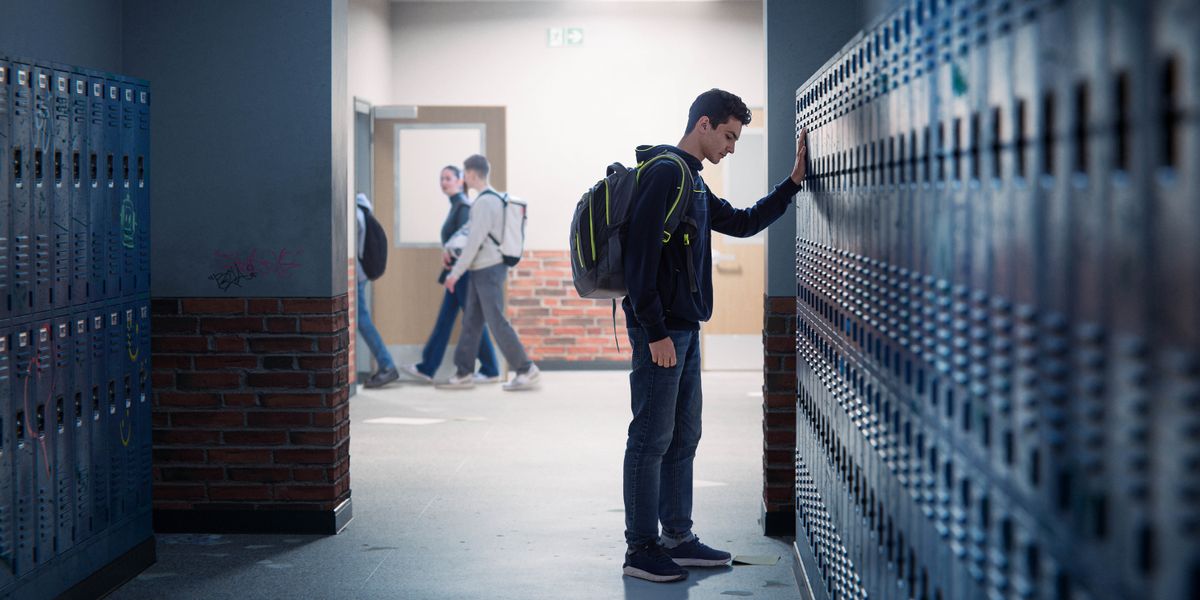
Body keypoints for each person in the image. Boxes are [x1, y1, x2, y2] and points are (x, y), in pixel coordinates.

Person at [619, 89, 808, 582]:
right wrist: (655, 330)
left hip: (684, 329)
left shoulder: (694, 185)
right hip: (661, 333)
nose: (730, 146)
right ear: (703, 124)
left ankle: (677, 538)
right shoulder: (666, 173)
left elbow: (743, 223)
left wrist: (791, 186)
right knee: (650, 438)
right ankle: (640, 549)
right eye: (728, 135)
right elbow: (640, 258)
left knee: (684, 435)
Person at [438, 154, 540, 392]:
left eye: (465, 174)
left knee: (496, 321)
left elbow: (474, 242)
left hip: (488, 269)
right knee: (471, 321)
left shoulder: (484, 202)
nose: (464, 179)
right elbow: (469, 234)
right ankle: (463, 372)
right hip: (482, 269)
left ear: (472, 174)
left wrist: (454, 273)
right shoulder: (489, 199)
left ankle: (526, 369)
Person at [399, 166, 502, 384]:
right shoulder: (456, 206)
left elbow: (467, 241)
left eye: (448, 178)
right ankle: (429, 367)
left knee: (468, 321)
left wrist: (453, 265)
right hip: (456, 273)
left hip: (462, 274)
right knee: (452, 320)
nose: (443, 182)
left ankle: (490, 368)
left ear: (459, 180)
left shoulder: (463, 207)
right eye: (441, 179)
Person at [355, 192, 399, 388]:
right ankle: (386, 364)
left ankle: (387, 365)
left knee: (361, 321)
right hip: (359, 275)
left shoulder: (355, 214)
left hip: (354, 276)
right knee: (361, 320)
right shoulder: (362, 211)